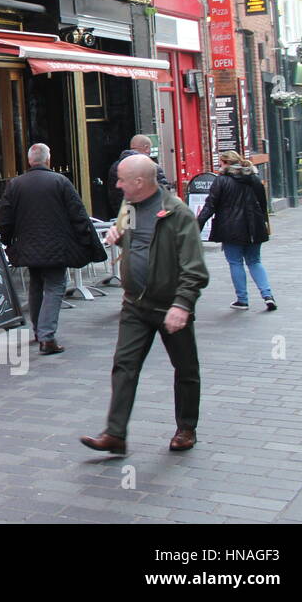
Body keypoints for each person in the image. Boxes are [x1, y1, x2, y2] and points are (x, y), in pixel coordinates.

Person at [80, 154, 208, 455]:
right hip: (135, 305)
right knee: (124, 366)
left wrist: (182, 304)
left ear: (139, 182)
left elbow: (195, 269)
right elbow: (129, 239)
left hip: (170, 306)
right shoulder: (129, 206)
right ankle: (115, 433)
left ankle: (186, 428)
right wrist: (117, 235)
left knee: (186, 368)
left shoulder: (177, 214)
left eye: (122, 180)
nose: (117, 184)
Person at [0, 143, 103, 356]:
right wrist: (87, 241)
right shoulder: (60, 181)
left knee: (36, 285)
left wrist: (8, 241)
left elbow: (5, 218)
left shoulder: (16, 184)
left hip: (28, 247)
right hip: (56, 247)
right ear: (48, 160)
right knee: (55, 286)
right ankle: (47, 337)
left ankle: (38, 331)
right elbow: (78, 214)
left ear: (29, 161)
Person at [197, 151, 276, 311]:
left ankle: (242, 299)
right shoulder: (253, 179)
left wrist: (197, 225)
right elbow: (263, 204)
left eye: (221, 163)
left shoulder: (221, 181)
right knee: (255, 261)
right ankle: (267, 295)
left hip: (231, 228)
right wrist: (265, 224)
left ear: (227, 163)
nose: (219, 166)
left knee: (235, 262)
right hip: (255, 227)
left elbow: (210, 206)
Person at [107, 133, 171, 211]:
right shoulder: (151, 166)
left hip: (124, 214)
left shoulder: (116, 167)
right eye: (150, 149)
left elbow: (114, 197)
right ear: (146, 148)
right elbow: (165, 194)